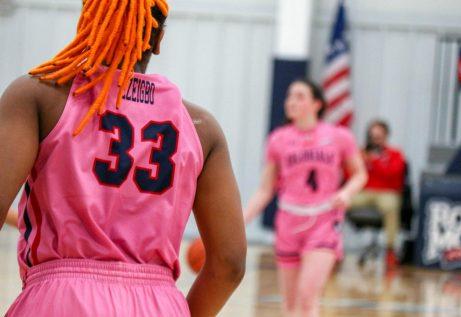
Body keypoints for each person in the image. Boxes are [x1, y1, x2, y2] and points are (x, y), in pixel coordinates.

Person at [0, 1, 246, 316]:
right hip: (159, 305)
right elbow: (230, 262)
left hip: (60, 300)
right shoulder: (202, 127)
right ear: (157, 42)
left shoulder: (36, 96)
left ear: (88, 21)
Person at [244, 79, 367, 317]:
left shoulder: (339, 136)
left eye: (300, 96)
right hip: (289, 221)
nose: (292, 101)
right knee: (290, 304)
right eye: (290, 96)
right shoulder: (278, 139)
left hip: (324, 220)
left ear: (317, 104)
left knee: (308, 296)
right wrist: (240, 222)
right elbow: (265, 189)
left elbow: (360, 174)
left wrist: (346, 192)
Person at [350, 120, 405, 269]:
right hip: (364, 192)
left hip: (387, 193)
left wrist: (375, 162)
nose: (375, 140)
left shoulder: (395, 154)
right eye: (373, 137)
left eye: (379, 137)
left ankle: (390, 250)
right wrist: (362, 160)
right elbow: (350, 174)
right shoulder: (361, 153)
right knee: (339, 202)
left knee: (390, 206)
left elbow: (394, 174)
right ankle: (331, 246)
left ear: (386, 136)